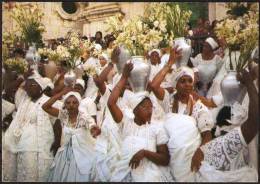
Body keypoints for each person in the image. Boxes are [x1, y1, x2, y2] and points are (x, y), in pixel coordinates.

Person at [150, 47, 214, 181]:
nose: (187, 84)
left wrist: (199, 152)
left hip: (191, 154)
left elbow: (207, 133)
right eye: (182, 81)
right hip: (169, 153)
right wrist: (170, 63)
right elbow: (154, 86)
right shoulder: (169, 100)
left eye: (190, 81)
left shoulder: (197, 106)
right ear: (175, 84)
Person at [108, 62, 173, 182]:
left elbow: (165, 159)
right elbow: (111, 103)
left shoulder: (156, 128)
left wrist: (144, 153)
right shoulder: (126, 124)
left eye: (151, 107)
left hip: (149, 175)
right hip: (124, 173)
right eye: (145, 107)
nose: (150, 111)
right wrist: (124, 77)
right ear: (135, 110)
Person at [196, 67, 258, 182]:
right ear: (232, 124)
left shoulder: (207, 148)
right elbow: (255, 120)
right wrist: (249, 82)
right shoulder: (227, 143)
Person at [3, 76, 57, 182]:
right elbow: (8, 91)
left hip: (36, 146)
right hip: (17, 143)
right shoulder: (23, 99)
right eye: (27, 85)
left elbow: (57, 122)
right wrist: (23, 78)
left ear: (41, 87)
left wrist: (57, 142)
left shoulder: (48, 102)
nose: (29, 88)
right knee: (19, 173)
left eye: (32, 85)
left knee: (31, 174)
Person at [42, 88, 97, 182]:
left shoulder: (84, 117)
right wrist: (62, 93)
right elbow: (45, 106)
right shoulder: (64, 115)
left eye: (74, 102)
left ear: (79, 104)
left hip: (82, 155)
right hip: (64, 154)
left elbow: (91, 124)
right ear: (65, 104)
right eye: (68, 103)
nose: (71, 105)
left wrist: (93, 129)